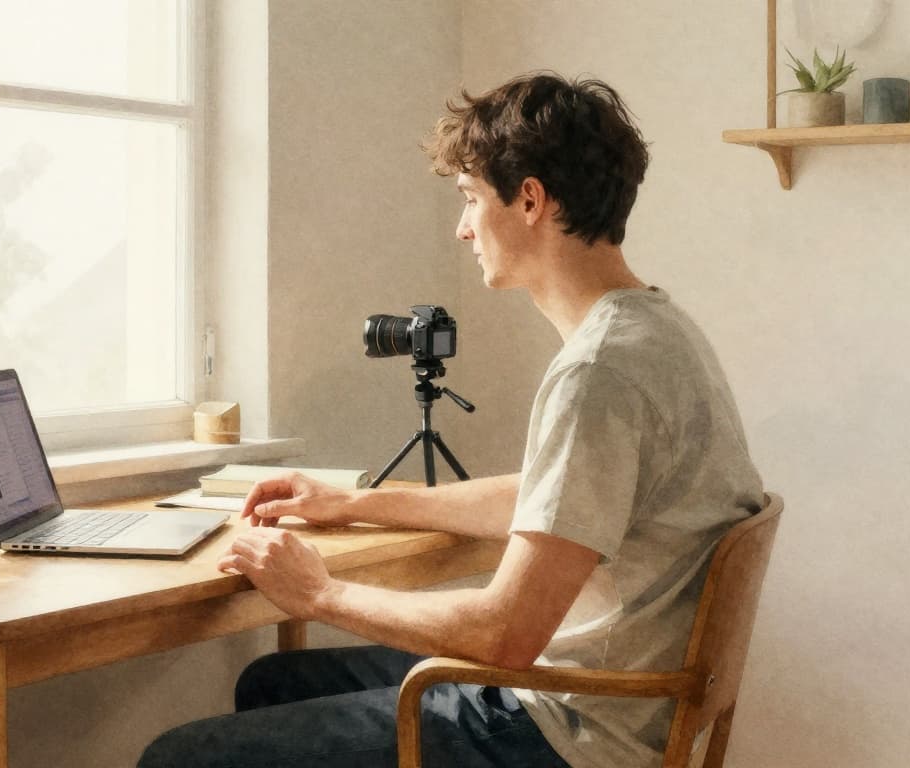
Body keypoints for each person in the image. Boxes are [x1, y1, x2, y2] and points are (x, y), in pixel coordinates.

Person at [138, 72, 763, 768]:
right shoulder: (659, 331)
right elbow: (547, 494)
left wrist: (320, 592)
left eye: (470, 199)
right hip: (610, 701)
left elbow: (504, 636)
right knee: (272, 682)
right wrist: (356, 503)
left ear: (529, 199)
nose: (462, 226)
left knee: (177, 758)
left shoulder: (600, 371)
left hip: (566, 730)